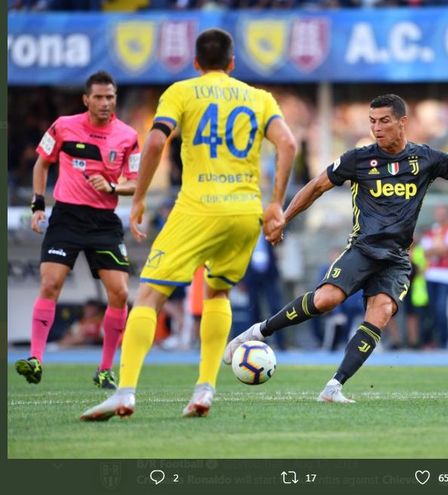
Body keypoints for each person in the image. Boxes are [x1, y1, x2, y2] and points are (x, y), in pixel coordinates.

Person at [224, 94, 448, 403]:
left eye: (384, 121)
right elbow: (317, 186)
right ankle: (258, 332)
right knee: (326, 299)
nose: (377, 128)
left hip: (396, 258)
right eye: (372, 121)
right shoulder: (357, 160)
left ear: (402, 122)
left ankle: (334, 387)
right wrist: (284, 217)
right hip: (363, 249)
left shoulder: (424, 159)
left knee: (382, 312)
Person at [80, 28, 296, 420]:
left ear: (196, 63)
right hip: (245, 211)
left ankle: (125, 393)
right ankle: (205, 389)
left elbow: (156, 143)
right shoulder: (260, 98)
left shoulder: (181, 92)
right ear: (232, 63)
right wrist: (276, 202)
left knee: (148, 296)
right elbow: (289, 144)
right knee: (218, 294)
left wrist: (140, 196)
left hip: (197, 207)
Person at [15, 71, 139, 390]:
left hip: (103, 222)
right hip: (67, 217)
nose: (104, 102)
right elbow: (41, 163)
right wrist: (38, 205)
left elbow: (135, 182)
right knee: (51, 282)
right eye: (98, 97)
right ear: (86, 99)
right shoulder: (63, 125)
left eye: (110, 97)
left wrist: (112, 185)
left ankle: (105, 370)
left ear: (115, 98)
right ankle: (36, 359)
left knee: (121, 293)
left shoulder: (128, 136)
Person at [421, 205, 448, 348]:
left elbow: (447, 251)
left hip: (447, 276)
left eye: (443, 213)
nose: (440, 216)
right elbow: (425, 253)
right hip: (431, 275)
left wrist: (436, 249)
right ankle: (434, 340)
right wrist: (438, 249)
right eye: (438, 213)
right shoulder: (432, 230)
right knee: (432, 310)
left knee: (442, 309)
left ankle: (445, 341)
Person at [241, 232, 286, 350]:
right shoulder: (248, 231)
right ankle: (255, 343)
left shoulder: (269, 228)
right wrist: (242, 279)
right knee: (254, 310)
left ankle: (281, 343)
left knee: (275, 308)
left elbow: (281, 242)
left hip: (269, 276)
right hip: (252, 276)